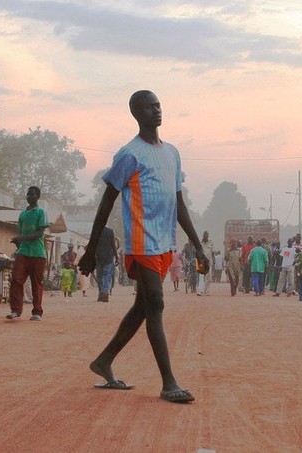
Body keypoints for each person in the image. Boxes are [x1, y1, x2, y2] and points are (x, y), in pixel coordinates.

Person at [78, 90, 205, 404]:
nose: (157, 111)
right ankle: (168, 383)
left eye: (159, 105)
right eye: (150, 107)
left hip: (164, 243)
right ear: (137, 113)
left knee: (142, 308)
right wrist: (91, 249)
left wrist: (197, 245)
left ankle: (104, 361)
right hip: (142, 243)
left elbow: (179, 203)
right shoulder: (129, 154)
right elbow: (105, 204)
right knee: (156, 306)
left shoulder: (172, 153)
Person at [6, 186, 49, 320]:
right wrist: (18, 242)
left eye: (32, 194)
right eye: (28, 194)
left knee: (36, 283)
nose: (29, 197)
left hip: (38, 253)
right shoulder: (23, 214)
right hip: (23, 252)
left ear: (38, 197)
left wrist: (21, 238)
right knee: (16, 280)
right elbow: (21, 232)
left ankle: (37, 312)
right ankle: (16, 310)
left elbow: (39, 233)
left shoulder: (41, 212)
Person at [95, 226, 118, 302]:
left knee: (99, 277)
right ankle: (105, 292)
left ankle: (101, 293)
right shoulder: (110, 231)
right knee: (107, 276)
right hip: (108, 257)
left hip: (99, 258)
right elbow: (113, 245)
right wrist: (117, 257)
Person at [196, 231, 215, 296]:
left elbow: (212, 252)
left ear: (208, 236)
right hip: (201, 261)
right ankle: (200, 291)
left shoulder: (211, 242)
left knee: (208, 277)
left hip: (209, 261)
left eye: (207, 235)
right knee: (201, 276)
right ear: (203, 236)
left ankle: (207, 290)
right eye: (204, 235)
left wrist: (214, 260)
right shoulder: (200, 243)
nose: (206, 236)